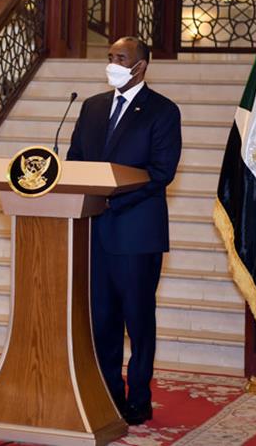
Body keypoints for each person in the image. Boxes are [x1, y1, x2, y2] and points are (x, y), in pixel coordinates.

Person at [66, 36, 181, 425]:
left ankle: (140, 397)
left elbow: (161, 173)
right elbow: (75, 160)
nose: (113, 63)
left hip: (136, 234)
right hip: (94, 233)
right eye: (110, 56)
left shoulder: (163, 112)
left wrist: (112, 200)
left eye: (122, 58)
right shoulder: (92, 107)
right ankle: (109, 392)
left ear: (141, 65)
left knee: (138, 319)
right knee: (102, 319)